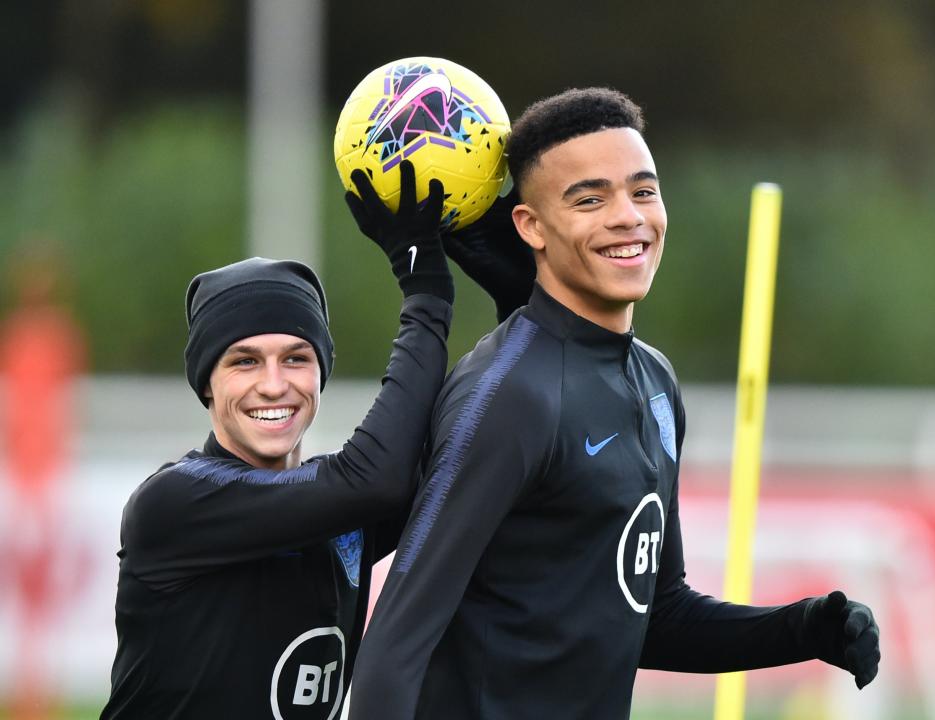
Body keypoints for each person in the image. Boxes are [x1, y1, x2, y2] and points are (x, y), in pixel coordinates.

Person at [347, 88, 881, 720]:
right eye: (590, 199)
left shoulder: (655, 379)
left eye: (643, 191)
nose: (628, 216)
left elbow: (655, 613)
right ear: (531, 227)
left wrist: (804, 631)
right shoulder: (507, 394)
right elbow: (396, 644)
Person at [100, 160, 522, 720]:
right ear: (207, 382)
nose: (274, 385)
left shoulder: (345, 505)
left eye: (297, 358)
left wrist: (516, 299)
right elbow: (375, 478)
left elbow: (480, 444)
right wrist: (424, 294)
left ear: (320, 373)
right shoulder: (174, 503)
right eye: (245, 361)